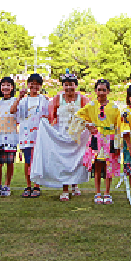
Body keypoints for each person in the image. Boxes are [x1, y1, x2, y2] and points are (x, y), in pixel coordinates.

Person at [30, 71, 90, 201]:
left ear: (76, 85)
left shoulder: (83, 99)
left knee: (76, 161)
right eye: (66, 85)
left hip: (78, 135)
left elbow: (89, 114)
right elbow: (52, 117)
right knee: (63, 161)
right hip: (62, 134)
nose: (69, 87)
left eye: (72, 84)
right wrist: (47, 125)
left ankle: (75, 184)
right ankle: (65, 189)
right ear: (63, 86)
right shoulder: (57, 99)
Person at [78, 79, 121, 204]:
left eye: (104, 90)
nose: (101, 92)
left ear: (108, 91)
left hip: (109, 139)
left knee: (109, 167)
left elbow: (118, 125)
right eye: (99, 89)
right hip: (96, 139)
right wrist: (88, 125)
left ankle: (107, 193)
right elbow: (79, 115)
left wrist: (118, 142)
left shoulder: (114, 107)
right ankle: (97, 193)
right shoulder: (91, 106)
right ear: (95, 91)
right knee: (97, 167)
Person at [10, 73, 49, 198]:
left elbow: (49, 116)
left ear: (40, 86)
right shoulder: (23, 100)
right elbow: (12, 111)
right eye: (32, 83)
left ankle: (37, 186)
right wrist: (19, 97)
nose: (34, 86)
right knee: (27, 161)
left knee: (37, 160)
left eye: (37, 84)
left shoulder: (44, 100)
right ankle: (28, 185)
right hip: (26, 135)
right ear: (28, 85)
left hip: (39, 135)